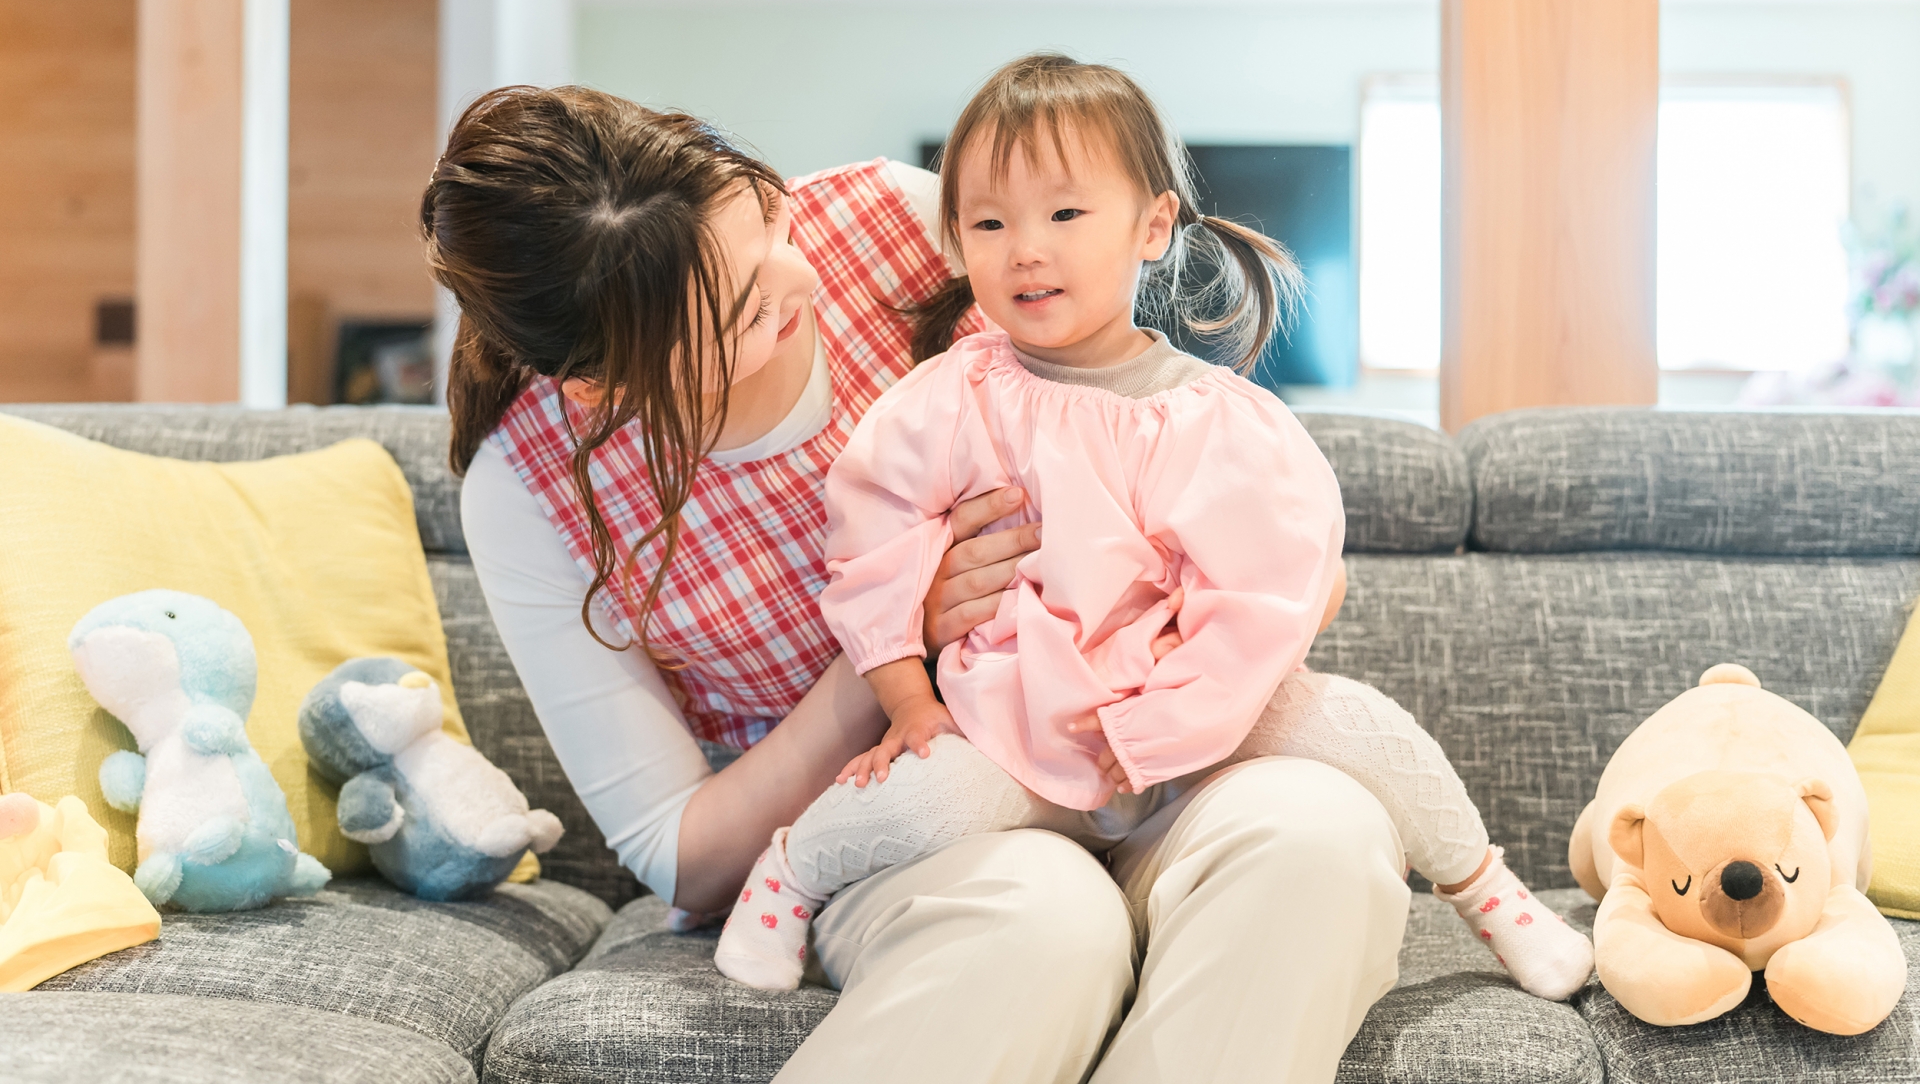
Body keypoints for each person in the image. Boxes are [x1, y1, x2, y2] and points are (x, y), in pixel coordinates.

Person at [425, 81, 1405, 1083]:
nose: (799, 280)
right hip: (908, 827)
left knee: (1320, 834)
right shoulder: (530, 490)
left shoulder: (900, 220)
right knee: (1039, 915)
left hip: (1148, 761)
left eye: (767, 221)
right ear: (607, 382)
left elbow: (1161, 436)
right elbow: (683, 851)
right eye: (745, 308)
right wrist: (894, 642)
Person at [713, 55, 1593, 1007]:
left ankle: (1491, 894)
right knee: (923, 789)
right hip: (1016, 732)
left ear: (1154, 225)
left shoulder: (1222, 421)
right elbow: (871, 552)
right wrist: (908, 703)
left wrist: (1161, 721)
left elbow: (1264, 600)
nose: (1025, 250)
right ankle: (787, 875)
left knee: (1347, 720)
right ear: (958, 241)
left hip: (1198, 732)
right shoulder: (946, 398)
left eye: (1064, 214)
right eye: (990, 222)